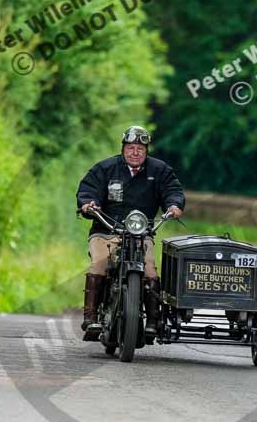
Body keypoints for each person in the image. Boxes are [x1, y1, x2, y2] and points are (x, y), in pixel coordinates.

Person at [76, 125, 185, 335]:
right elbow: (88, 189)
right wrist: (88, 204)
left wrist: (174, 205)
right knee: (99, 265)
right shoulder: (105, 168)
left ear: (146, 151)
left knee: (150, 268)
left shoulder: (159, 170)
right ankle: (90, 318)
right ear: (123, 148)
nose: (135, 153)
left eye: (140, 149)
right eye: (131, 148)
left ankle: (153, 321)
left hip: (141, 233)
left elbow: (173, 190)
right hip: (106, 229)